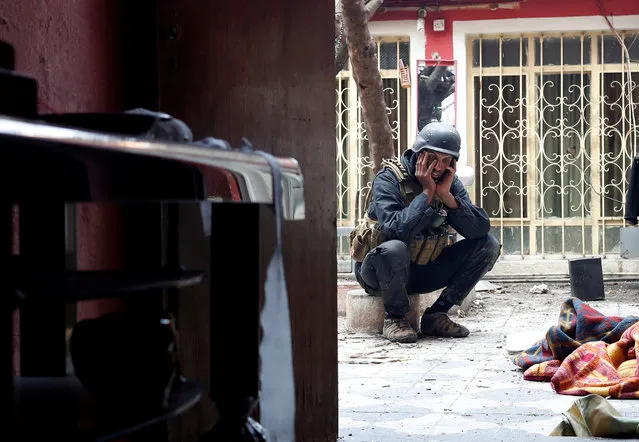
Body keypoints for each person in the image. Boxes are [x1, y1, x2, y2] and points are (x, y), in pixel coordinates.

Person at [349, 121, 501, 343]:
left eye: (446, 160)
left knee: (489, 245)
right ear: (419, 153)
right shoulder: (389, 179)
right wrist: (427, 194)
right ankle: (395, 318)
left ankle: (436, 315)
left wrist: (447, 196)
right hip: (378, 273)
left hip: (422, 270)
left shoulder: (448, 181)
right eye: (432, 158)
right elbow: (395, 231)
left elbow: (479, 229)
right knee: (393, 248)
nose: (438, 167)